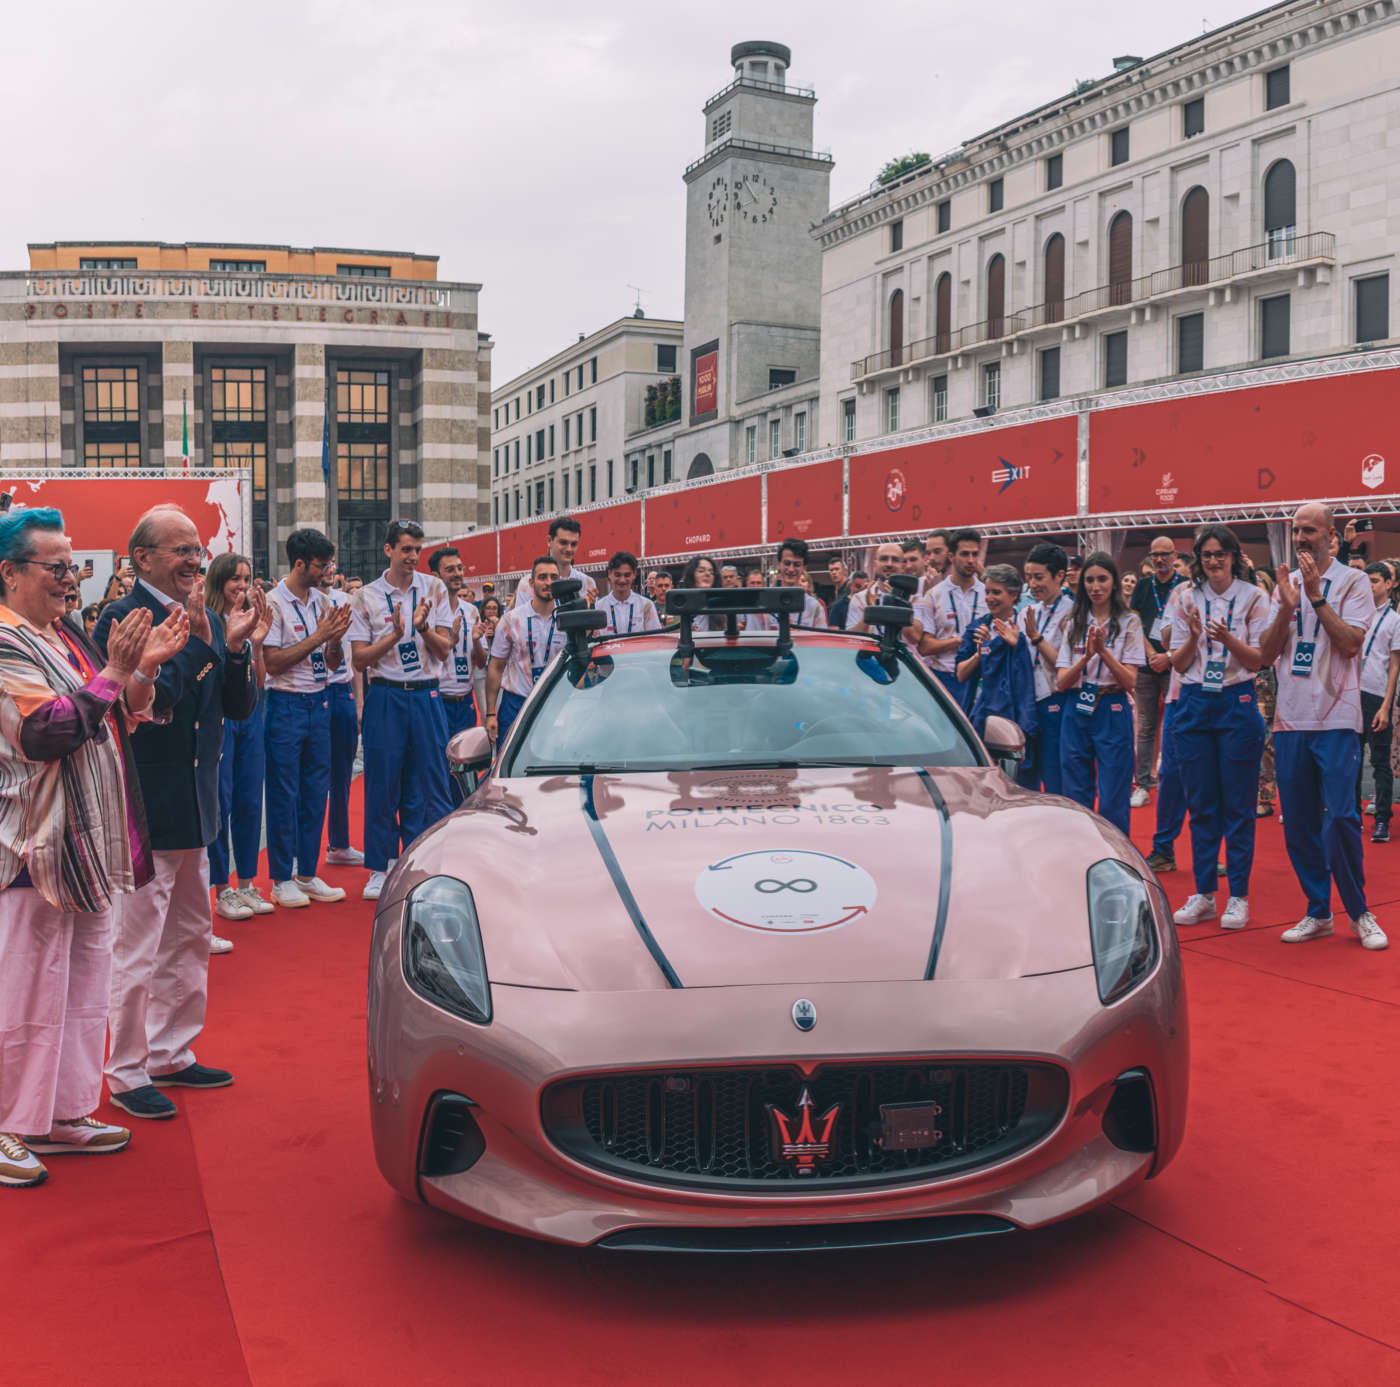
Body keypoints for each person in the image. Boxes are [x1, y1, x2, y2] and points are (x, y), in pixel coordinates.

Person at [0, 509, 188, 1186]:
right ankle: (7, 1121)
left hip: (89, 840)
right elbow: (44, 731)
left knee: (82, 987)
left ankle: (60, 1113)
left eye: (72, 566)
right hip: (36, 847)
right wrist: (113, 669)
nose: (70, 580)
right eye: (55, 568)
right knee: (25, 990)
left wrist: (142, 669)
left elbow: (122, 714)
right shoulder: (6, 641)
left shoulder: (65, 633)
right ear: (9, 573)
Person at [94, 505, 263, 1120]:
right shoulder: (122, 617)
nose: (195, 560)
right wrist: (197, 644)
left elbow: (237, 708)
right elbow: (152, 705)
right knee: (136, 946)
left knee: (190, 937)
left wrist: (237, 649)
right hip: (148, 805)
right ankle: (127, 1069)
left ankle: (172, 1051)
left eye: (197, 549)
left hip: (199, 804)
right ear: (141, 558)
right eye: (180, 550)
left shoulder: (211, 621)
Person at [1258, 503, 1385, 949]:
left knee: (1342, 817)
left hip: (1338, 719)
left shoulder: (1353, 582)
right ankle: (1318, 911)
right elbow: (1264, 655)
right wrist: (1284, 608)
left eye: (1309, 530)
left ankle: (1360, 911)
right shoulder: (1284, 586)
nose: (1301, 539)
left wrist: (1315, 597)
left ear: (1331, 535)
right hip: (1291, 720)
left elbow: (1351, 644)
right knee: (1298, 823)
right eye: (1296, 531)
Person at [1165, 526, 1270, 930]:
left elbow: (1259, 659)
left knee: (1238, 806)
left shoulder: (1253, 597)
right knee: (1201, 804)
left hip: (1236, 700)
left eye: (1220, 553)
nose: (1213, 561)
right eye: (1206, 554)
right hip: (1193, 703)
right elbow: (1177, 662)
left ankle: (1238, 896)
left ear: (1234, 555)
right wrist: (1193, 638)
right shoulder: (1185, 596)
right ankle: (1205, 893)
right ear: (1198, 558)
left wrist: (1226, 638)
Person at [348, 521, 453, 902]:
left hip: (426, 695)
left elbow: (444, 650)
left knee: (427, 781)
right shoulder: (366, 597)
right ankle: (380, 865)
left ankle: (417, 859)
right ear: (388, 549)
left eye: (417, 549)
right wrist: (392, 635)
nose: (412, 557)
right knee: (382, 781)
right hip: (387, 695)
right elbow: (359, 659)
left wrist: (423, 629)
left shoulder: (434, 588)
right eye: (406, 549)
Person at [261, 529, 350, 909]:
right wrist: (319, 637)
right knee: (285, 793)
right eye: (320, 564)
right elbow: (272, 662)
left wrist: (332, 642)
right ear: (299, 564)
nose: (326, 571)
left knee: (317, 791)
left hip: (321, 701)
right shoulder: (273, 603)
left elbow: (333, 662)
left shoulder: (323, 601)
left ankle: (308, 873)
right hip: (284, 703)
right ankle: (281, 878)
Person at [205, 553, 275, 926]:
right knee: (221, 802)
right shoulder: (208, 621)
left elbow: (259, 681)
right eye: (235, 578)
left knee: (250, 800)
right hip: (219, 720)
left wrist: (258, 643)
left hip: (250, 717)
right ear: (219, 581)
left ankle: (247, 881)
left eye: (247, 579)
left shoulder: (249, 619)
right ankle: (222, 888)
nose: (242, 586)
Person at [1056, 552, 1144, 836]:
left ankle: (1117, 859)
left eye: (1102, 579)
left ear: (1114, 583)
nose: (1096, 586)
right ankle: (1081, 853)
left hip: (1112, 705)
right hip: (1077, 706)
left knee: (1113, 796)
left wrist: (1103, 652)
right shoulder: (1073, 622)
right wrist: (1085, 658)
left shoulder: (1130, 622)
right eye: (1090, 580)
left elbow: (1130, 680)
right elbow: (1061, 682)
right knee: (1076, 790)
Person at [485, 556, 567, 742]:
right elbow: (496, 667)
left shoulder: (567, 619)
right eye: (542, 577)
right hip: (516, 703)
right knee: (511, 767)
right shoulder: (511, 620)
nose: (548, 583)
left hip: (555, 703)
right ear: (531, 582)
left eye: (554, 578)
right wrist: (490, 713)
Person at [1129, 536, 1185, 808]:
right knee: (1146, 727)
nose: (1160, 559)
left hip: (1176, 664)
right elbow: (1133, 623)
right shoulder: (1142, 586)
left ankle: (1174, 782)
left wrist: (1169, 657)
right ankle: (1142, 784)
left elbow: (1189, 628)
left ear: (1174, 556)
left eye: (1165, 554)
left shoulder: (1185, 587)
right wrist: (1151, 654)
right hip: (1146, 664)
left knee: (1175, 726)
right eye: (1155, 555)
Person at [956, 565, 1038, 741]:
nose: (989, 598)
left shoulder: (1025, 626)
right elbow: (961, 674)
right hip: (981, 712)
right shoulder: (977, 628)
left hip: (1015, 710)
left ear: (1014, 595)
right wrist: (979, 654)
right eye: (987, 592)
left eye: (996, 592)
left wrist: (1017, 645)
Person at [317, 559, 363, 866]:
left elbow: (355, 658)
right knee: (312, 772)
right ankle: (297, 849)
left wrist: (359, 701)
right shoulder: (301, 601)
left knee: (343, 770)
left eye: (332, 564)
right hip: (313, 690)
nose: (328, 570)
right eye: (322, 565)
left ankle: (340, 842)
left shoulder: (347, 602)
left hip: (342, 688)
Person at [1017, 543, 1073, 794]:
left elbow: (1065, 663)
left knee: (1055, 774)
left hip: (1057, 700)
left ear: (1059, 575)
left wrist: (1037, 638)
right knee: (1025, 773)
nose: (1032, 584)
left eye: (1039, 577)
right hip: (1029, 701)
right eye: (1029, 577)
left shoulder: (1073, 613)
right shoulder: (1028, 612)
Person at [430, 548, 487, 770]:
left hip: (465, 702)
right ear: (436, 576)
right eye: (450, 569)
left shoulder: (471, 611)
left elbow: (481, 662)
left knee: (466, 766)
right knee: (439, 766)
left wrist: (475, 641)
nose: (457, 574)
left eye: (460, 568)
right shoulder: (427, 612)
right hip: (437, 700)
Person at [1358, 562, 1400, 843]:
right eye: (1367, 580)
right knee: (1351, 759)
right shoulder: (1355, 614)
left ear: (1389, 584)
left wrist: (1386, 705)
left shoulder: (1395, 620)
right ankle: (1350, 815)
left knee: (1380, 761)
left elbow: (1394, 667)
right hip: (1350, 694)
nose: (1369, 585)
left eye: (1374, 580)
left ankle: (1382, 819)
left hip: (1376, 695)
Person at [925, 530, 986, 710]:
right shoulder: (934, 595)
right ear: (951, 556)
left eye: (975, 554)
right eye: (965, 554)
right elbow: (925, 646)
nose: (970, 560)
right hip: (945, 676)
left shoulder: (988, 594)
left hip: (979, 678)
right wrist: (960, 641)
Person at [514, 516, 595, 607]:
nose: (569, 549)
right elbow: (521, 619)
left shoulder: (587, 583)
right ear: (549, 541)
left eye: (573, 544)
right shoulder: (527, 584)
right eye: (563, 543)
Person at [748, 538, 827, 630]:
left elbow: (820, 640)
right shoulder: (763, 604)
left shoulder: (814, 606)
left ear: (804, 568)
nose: (791, 569)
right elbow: (754, 638)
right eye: (787, 563)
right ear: (779, 564)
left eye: (797, 564)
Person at [598, 551, 663, 633]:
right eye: (617, 575)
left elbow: (656, 639)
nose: (622, 580)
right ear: (609, 574)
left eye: (627, 575)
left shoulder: (646, 605)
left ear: (634, 574)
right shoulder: (599, 607)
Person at [474, 596, 502, 720]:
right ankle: (487, 737)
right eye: (488, 608)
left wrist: (499, 630)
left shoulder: (503, 625)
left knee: (500, 707)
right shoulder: (477, 626)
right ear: (483, 610)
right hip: (481, 670)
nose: (491, 611)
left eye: (494, 608)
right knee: (484, 711)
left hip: (498, 670)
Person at [827, 559, 853, 630]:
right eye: (831, 570)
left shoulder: (851, 589)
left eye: (837, 569)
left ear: (845, 571)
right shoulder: (835, 591)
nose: (834, 572)